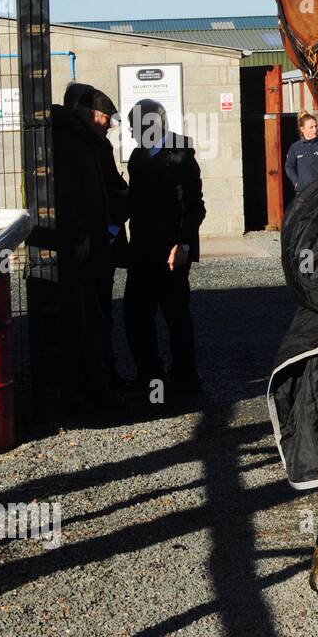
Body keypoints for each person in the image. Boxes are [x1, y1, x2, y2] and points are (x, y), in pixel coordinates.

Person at [51, 83, 128, 417]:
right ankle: (89, 393)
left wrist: (111, 226)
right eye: (103, 116)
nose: (108, 123)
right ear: (85, 113)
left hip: (94, 247)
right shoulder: (72, 144)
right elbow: (74, 199)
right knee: (84, 323)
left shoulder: (89, 143)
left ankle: (98, 385)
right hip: (82, 251)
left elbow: (110, 189)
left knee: (97, 319)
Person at [123, 99, 207, 401]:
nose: (131, 132)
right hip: (142, 249)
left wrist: (182, 244)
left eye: (135, 126)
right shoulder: (136, 157)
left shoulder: (182, 156)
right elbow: (134, 200)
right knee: (135, 313)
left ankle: (186, 377)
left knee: (176, 315)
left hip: (172, 252)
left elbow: (194, 206)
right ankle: (150, 374)